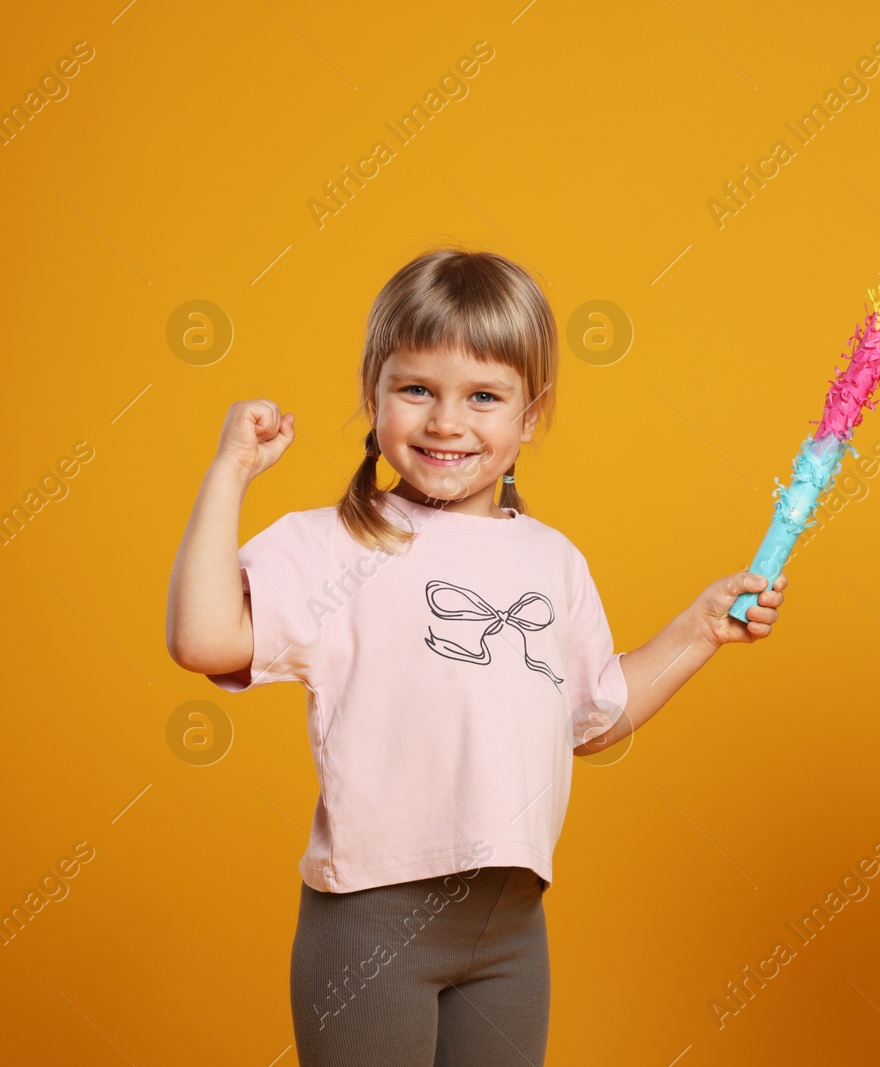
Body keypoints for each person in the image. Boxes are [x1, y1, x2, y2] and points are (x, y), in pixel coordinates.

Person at [164, 248, 786, 1066]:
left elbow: (595, 716)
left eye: (483, 397)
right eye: (416, 388)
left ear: (531, 416)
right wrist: (229, 473)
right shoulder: (337, 544)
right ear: (374, 395)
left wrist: (697, 631)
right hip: (371, 928)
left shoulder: (552, 561)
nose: (446, 422)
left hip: (511, 934)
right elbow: (202, 638)